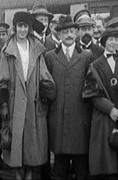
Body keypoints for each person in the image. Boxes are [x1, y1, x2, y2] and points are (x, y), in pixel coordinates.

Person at [0, 11, 56, 180]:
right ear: (15, 27)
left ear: (29, 28)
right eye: (19, 26)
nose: (22, 29)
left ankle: (28, 176)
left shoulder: (36, 48)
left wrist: (45, 96)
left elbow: (45, 76)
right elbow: (1, 79)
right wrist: (4, 105)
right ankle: (18, 177)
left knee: (31, 148)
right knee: (16, 146)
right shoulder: (8, 51)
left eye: (25, 26)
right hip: (14, 106)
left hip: (33, 106)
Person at [82, 28, 118, 180]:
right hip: (104, 120)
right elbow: (92, 94)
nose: (114, 42)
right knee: (107, 167)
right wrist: (110, 109)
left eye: (116, 39)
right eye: (110, 39)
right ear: (104, 42)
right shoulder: (94, 65)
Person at [44, 15, 93, 180]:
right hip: (58, 120)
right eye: (65, 32)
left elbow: (91, 86)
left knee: (81, 170)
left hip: (80, 119)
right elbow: (46, 86)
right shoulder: (50, 57)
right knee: (59, 169)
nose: (69, 35)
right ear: (59, 34)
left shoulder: (86, 56)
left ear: (77, 33)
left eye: (72, 31)